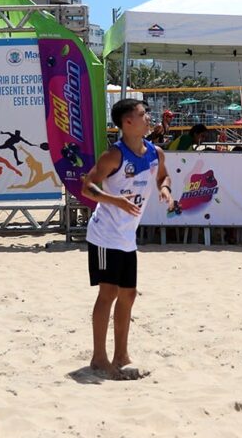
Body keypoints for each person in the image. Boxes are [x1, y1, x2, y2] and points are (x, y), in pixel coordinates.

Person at [81, 98, 174, 379]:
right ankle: (99, 358)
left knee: (129, 295)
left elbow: (164, 177)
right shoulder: (114, 155)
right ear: (127, 123)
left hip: (126, 236)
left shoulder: (155, 152)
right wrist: (115, 201)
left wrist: (166, 190)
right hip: (104, 234)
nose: (149, 118)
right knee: (107, 293)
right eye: (143, 114)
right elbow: (87, 187)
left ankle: (121, 354)